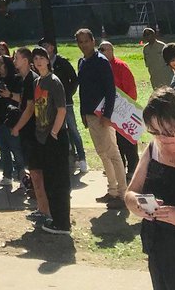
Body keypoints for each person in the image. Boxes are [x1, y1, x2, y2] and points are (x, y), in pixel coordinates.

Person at [125, 86, 175, 290]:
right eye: (154, 132)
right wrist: (138, 205)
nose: (161, 139)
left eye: (167, 132)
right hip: (161, 252)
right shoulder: (153, 150)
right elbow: (130, 194)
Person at [75, 27, 127, 206]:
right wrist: (82, 113)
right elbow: (83, 90)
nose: (83, 45)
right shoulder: (82, 62)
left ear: (93, 41)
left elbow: (110, 90)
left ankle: (122, 194)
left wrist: (107, 115)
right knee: (102, 153)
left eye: (86, 41)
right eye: (80, 42)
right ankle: (112, 190)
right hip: (90, 115)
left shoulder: (101, 61)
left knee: (112, 153)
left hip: (102, 115)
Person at [29, 47, 71, 236]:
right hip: (42, 137)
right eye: (35, 58)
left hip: (56, 136)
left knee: (59, 181)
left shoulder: (54, 82)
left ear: (48, 60)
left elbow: (62, 110)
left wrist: (54, 132)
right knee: (50, 181)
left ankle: (63, 223)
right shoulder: (37, 82)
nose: (38, 61)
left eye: (41, 58)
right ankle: (55, 218)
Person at [12, 46, 53, 224]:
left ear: (25, 61)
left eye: (17, 58)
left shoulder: (32, 79)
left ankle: (46, 211)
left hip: (34, 133)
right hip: (30, 133)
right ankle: (42, 209)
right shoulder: (25, 79)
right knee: (35, 172)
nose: (14, 61)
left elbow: (30, 108)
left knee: (37, 173)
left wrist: (16, 127)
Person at [41, 37, 87, 173]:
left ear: (52, 47)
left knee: (73, 129)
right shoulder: (43, 64)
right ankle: (69, 157)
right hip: (50, 104)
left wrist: (68, 93)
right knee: (60, 131)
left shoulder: (61, 62)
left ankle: (82, 158)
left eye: (46, 45)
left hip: (65, 102)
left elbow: (74, 79)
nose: (44, 48)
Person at [100, 39, 140, 178]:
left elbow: (131, 89)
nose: (101, 52)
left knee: (127, 141)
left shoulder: (121, 66)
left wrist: (126, 108)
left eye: (104, 49)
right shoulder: (100, 67)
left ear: (111, 51)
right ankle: (119, 168)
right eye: (100, 49)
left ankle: (133, 168)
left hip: (123, 110)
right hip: (107, 111)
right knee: (113, 142)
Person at [0, 54, 25, 188]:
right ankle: (7, 176)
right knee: (3, 149)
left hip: (11, 120)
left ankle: (22, 176)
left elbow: (22, 99)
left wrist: (9, 94)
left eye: (0, 63)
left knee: (16, 148)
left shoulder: (16, 79)